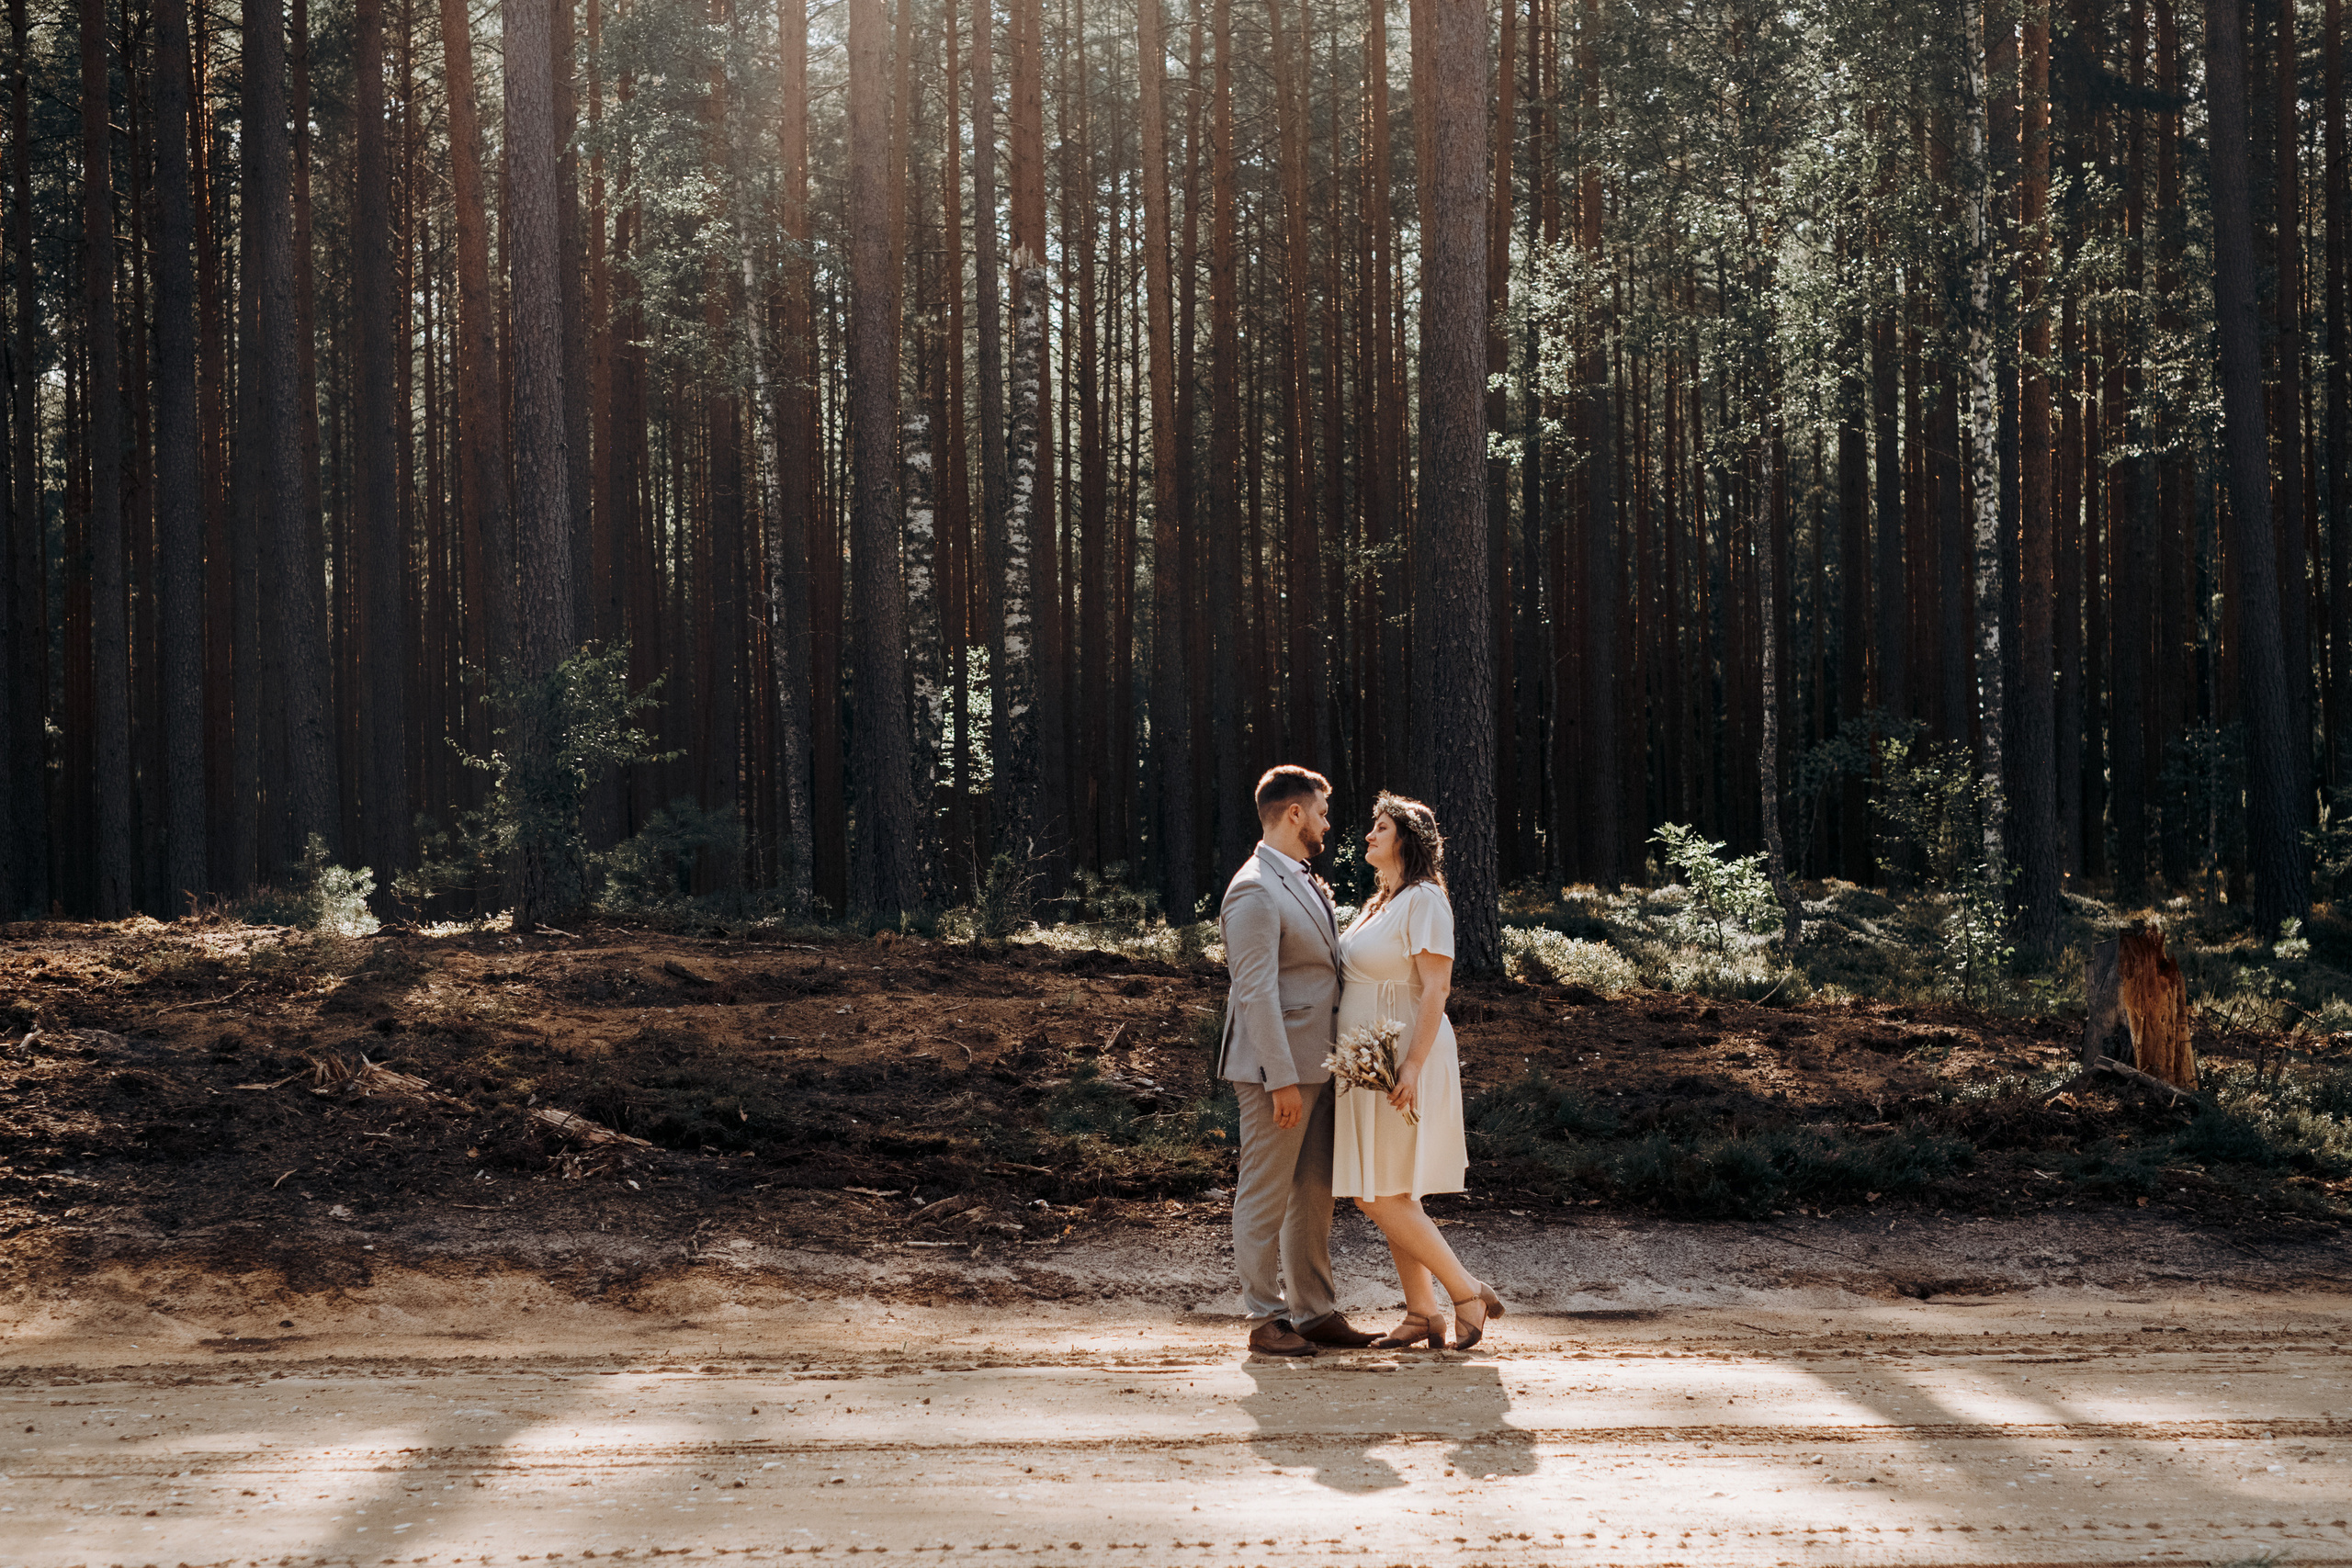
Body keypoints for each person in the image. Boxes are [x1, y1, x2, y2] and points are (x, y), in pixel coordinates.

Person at [1216, 765, 1383, 1358]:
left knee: (1314, 1191)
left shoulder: (1303, 879)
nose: (1327, 822)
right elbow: (1254, 990)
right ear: (1294, 814)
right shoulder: (1254, 888)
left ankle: (1314, 1313)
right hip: (1275, 1070)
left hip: (1320, 1065)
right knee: (1264, 1191)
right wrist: (1279, 1079)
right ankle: (1265, 1318)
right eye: (1321, 812)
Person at [1331, 792, 1505, 1350]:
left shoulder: (1425, 898)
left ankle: (1463, 1291)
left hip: (1404, 1053)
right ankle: (1421, 1313)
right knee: (1392, 1188)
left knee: (1377, 1193)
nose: (1368, 836)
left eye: (1380, 828)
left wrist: (1411, 1064)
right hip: (1367, 1057)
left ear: (1406, 838)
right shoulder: (1379, 902)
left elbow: (1437, 987)